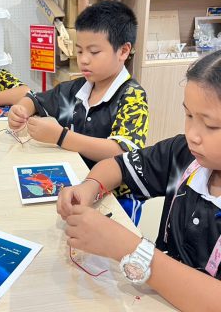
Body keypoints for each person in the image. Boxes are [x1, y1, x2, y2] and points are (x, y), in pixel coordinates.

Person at [57, 50, 221, 311]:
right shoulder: (182, 155)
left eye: (211, 126)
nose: (193, 134)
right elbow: (117, 166)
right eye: (189, 116)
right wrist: (89, 187)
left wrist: (130, 249)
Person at [8, 0, 149, 223]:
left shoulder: (133, 97)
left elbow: (120, 152)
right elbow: (35, 99)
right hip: (76, 187)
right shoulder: (78, 88)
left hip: (117, 199)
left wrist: (61, 137)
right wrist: (20, 109)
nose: (83, 59)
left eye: (94, 52)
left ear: (123, 51)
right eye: (80, 50)